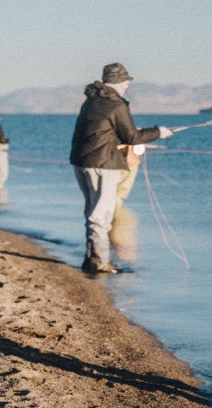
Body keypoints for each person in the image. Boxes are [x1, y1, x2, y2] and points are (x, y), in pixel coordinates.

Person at [70, 62, 173, 273]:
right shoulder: (116, 104)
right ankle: (100, 262)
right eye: (126, 83)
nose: (127, 87)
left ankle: (91, 258)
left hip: (82, 162)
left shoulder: (91, 101)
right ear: (119, 83)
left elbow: (103, 131)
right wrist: (158, 132)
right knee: (101, 214)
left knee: (92, 211)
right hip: (103, 163)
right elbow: (132, 137)